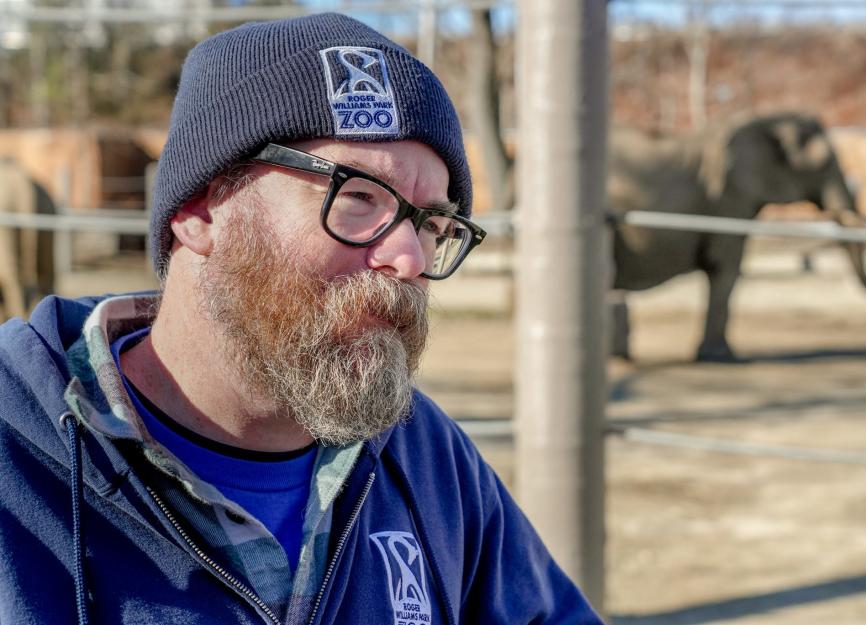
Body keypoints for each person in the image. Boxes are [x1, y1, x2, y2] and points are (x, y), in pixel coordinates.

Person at [0, 12, 601, 625]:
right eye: (360, 197)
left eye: (432, 224)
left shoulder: (426, 461)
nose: (409, 257)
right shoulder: (16, 451)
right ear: (200, 211)